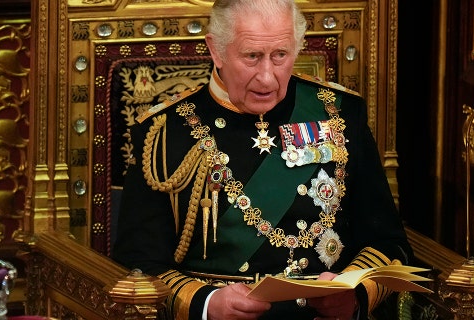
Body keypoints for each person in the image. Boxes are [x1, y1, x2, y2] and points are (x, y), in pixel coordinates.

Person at [112, 0, 414, 319]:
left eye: (280, 55)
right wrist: (204, 303)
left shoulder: (338, 114)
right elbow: (137, 265)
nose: (267, 78)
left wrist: (356, 295)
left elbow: (389, 244)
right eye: (252, 56)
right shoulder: (165, 132)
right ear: (216, 50)